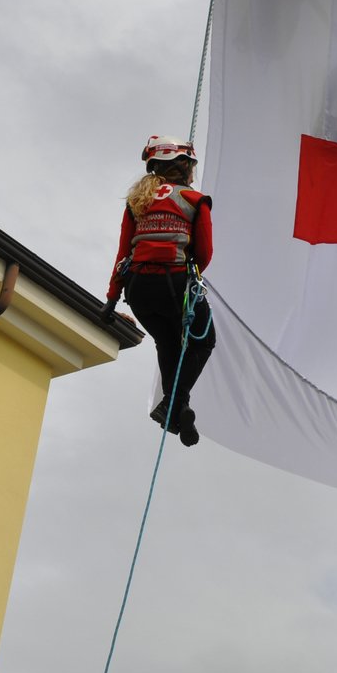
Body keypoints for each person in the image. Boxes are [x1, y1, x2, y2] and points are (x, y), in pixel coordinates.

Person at [103, 135, 216, 447]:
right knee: (203, 341)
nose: (193, 169)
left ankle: (179, 410)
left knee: (167, 344)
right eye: (190, 163)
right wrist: (190, 280)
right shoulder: (195, 200)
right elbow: (204, 253)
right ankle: (174, 404)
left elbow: (123, 252)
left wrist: (112, 298)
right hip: (174, 281)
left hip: (138, 288)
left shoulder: (137, 202)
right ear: (180, 166)